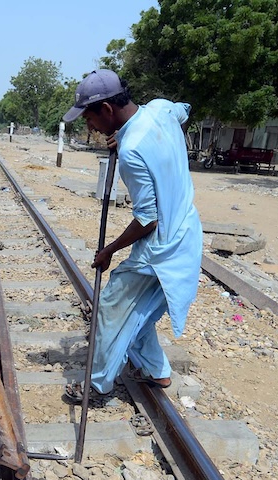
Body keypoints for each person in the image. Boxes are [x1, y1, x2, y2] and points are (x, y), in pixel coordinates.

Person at [62, 69, 202, 401]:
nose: (90, 127)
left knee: (111, 305)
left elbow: (148, 219)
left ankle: (96, 385)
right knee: (137, 313)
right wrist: (127, 135)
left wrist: (110, 249)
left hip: (161, 246)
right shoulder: (160, 109)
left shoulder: (131, 153)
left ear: (107, 110)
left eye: (90, 119)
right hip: (186, 233)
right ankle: (157, 372)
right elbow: (184, 109)